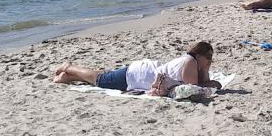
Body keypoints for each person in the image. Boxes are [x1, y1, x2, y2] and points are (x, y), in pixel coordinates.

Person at [53, 42, 220, 96]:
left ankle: (69, 77)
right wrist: (206, 73)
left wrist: (206, 68)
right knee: (101, 80)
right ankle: (69, 67)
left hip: (143, 72)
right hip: (138, 74)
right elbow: (197, 88)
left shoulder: (193, 63)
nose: (210, 61)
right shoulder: (190, 62)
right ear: (198, 56)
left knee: (103, 78)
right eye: (208, 58)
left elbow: (204, 84)